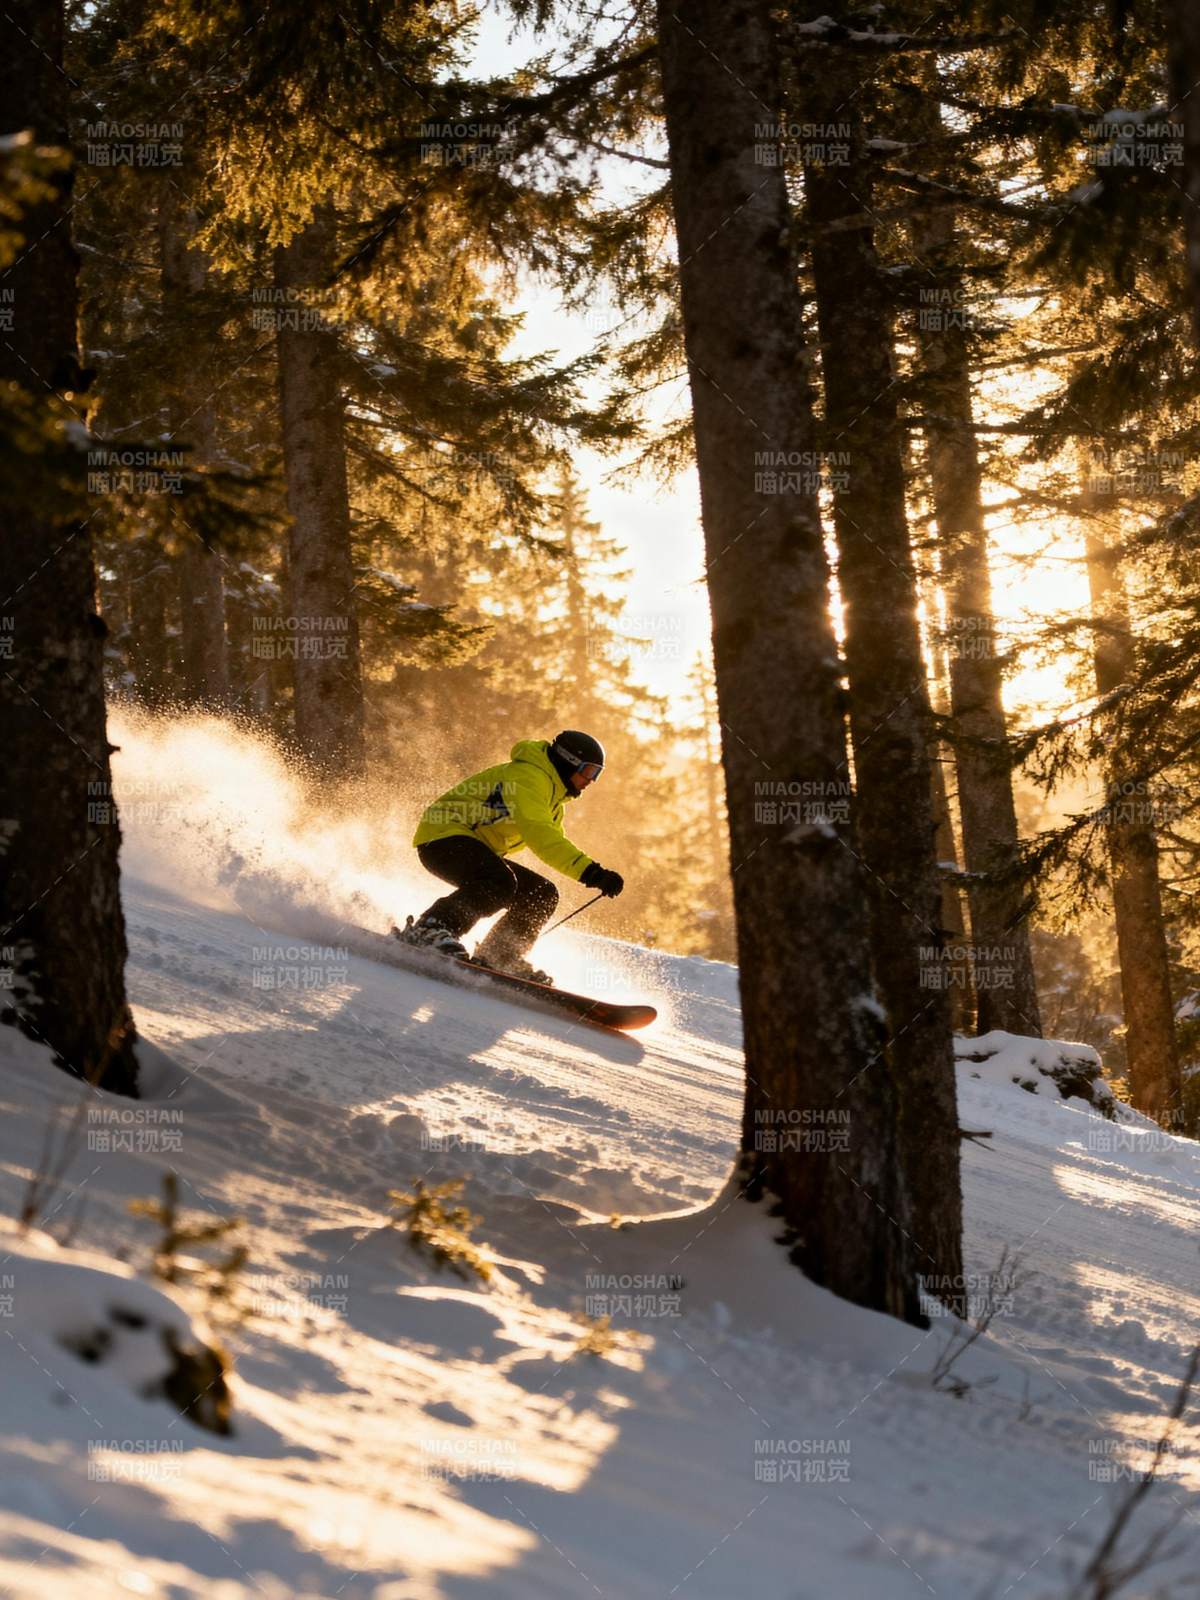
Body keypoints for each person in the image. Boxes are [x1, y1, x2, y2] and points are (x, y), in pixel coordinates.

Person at [396, 731, 625, 984]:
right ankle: (431, 928)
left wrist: (592, 873)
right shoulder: (529, 778)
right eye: (589, 771)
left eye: (597, 774)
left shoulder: (553, 801)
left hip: (471, 845)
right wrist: (592, 873)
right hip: (442, 838)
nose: (591, 780)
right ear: (568, 761)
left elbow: (554, 843)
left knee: (541, 893)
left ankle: (501, 954)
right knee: (500, 881)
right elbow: (542, 837)